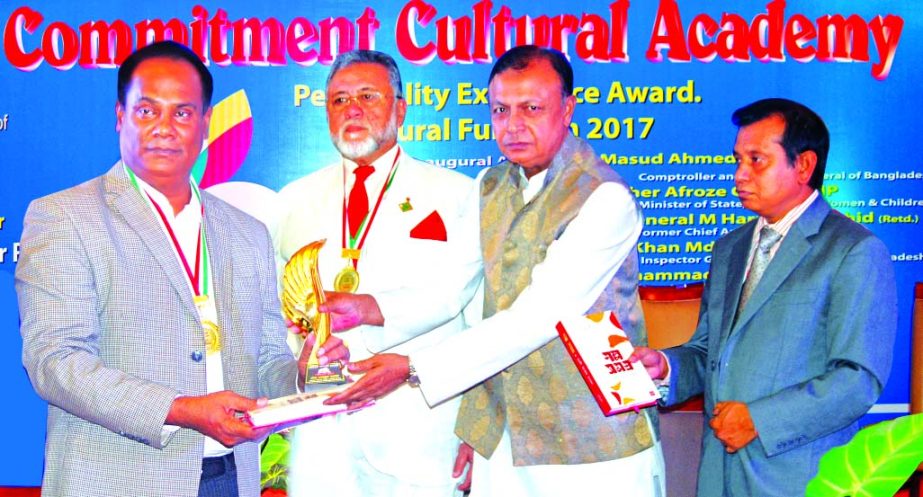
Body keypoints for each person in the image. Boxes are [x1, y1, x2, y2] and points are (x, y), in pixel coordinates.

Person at [322, 45, 665, 497]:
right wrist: (366, 310)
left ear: (568, 109)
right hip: (505, 441)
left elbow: (538, 318)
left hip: (595, 441)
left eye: (532, 108)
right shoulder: (492, 185)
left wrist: (412, 368)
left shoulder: (605, 197)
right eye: (501, 109)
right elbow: (449, 290)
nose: (514, 125)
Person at [16, 41, 302, 497]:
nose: (165, 129)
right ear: (120, 116)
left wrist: (309, 378)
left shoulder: (247, 232)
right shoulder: (65, 216)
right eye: (147, 111)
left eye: (183, 113)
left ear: (206, 124)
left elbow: (268, 359)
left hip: (233, 478)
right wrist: (183, 409)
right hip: (118, 481)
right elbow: (56, 361)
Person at [632, 98, 897, 496]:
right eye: (738, 159)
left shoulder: (853, 250)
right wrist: (665, 367)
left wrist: (761, 420)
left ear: (804, 166)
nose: (739, 175)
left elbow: (857, 380)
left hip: (801, 477)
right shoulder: (730, 249)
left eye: (757, 160)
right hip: (719, 475)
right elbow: (709, 354)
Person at [274, 50, 478, 497]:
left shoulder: (458, 195)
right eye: (339, 100)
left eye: (368, 96)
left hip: (421, 434)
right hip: (321, 431)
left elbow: (477, 318)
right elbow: (276, 309)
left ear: (401, 108)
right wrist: (299, 356)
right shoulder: (291, 202)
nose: (353, 110)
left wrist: (477, 427)